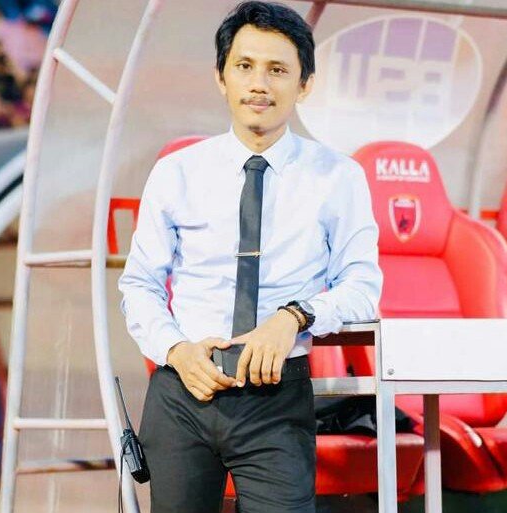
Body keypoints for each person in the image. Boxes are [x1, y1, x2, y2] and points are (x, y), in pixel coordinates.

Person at [117, 2, 382, 512]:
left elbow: (363, 287)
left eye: (277, 70)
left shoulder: (339, 176)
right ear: (221, 77)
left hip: (276, 395)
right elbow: (140, 283)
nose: (259, 84)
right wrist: (176, 350)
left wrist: (294, 317)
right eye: (244, 66)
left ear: (304, 84)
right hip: (184, 390)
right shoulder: (176, 172)